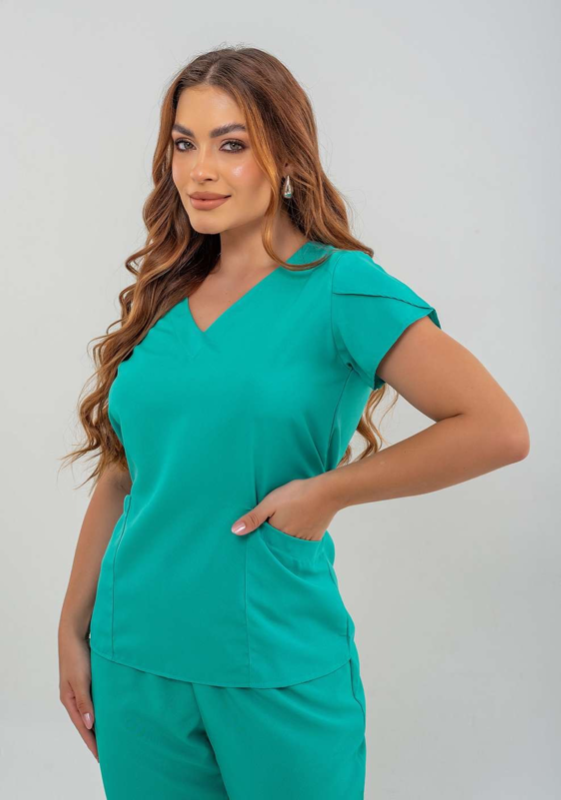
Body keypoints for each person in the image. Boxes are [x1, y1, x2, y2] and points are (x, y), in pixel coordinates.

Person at [57, 46, 530, 800]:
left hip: (274, 662)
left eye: (231, 145)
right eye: (184, 144)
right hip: (134, 658)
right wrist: (72, 627)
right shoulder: (166, 293)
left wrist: (328, 492)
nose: (199, 170)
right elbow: (122, 474)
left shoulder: (342, 288)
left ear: (285, 157)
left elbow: (497, 428)